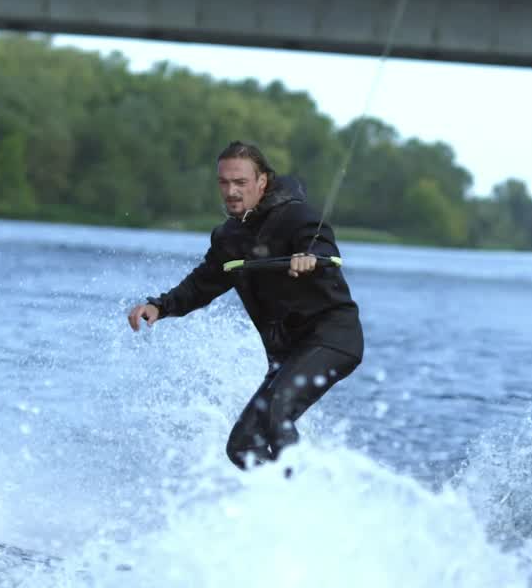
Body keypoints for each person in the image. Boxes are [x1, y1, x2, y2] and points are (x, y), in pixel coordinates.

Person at [127, 141, 363, 471]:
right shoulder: (228, 237)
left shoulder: (298, 216)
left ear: (262, 182)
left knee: (278, 409)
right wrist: (160, 307)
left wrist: (311, 258)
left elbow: (322, 247)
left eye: (241, 182)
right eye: (224, 183)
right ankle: (280, 504)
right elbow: (202, 283)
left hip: (332, 339)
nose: (231, 191)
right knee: (243, 445)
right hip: (289, 353)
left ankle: (305, 497)